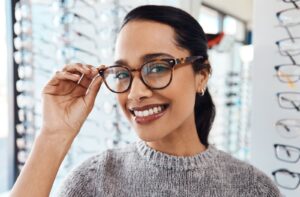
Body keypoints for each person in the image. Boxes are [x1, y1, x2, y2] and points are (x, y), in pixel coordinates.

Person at [10, 5, 281, 197]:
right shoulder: (94, 180)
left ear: (202, 75)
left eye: (157, 67)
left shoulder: (252, 188)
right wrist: (53, 135)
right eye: (123, 73)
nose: (135, 93)